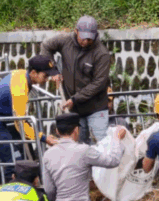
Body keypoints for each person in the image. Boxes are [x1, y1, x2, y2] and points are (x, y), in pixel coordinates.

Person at [0, 55, 60, 181]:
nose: (47, 79)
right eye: (45, 76)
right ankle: (14, 195)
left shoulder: (22, 74)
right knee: (14, 162)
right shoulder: (19, 89)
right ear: (34, 73)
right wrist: (43, 138)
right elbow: (20, 123)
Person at [40, 16, 111, 144]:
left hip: (96, 107)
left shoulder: (102, 54)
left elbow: (99, 83)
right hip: (74, 109)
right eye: (83, 37)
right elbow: (46, 46)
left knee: (102, 142)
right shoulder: (65, 40)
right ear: (76, 31)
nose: (86, 41)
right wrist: (52, 70)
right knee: (78, 146)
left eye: (90, 38)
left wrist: (75, 99)